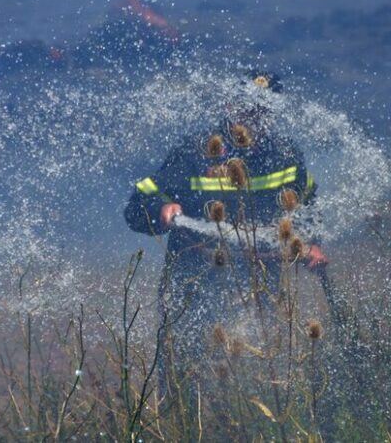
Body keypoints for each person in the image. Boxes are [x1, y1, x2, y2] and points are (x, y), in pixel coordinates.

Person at [123, 71, 327, 391]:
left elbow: (310, 207)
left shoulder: (286, 156)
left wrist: (312, 243)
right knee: (184, 378)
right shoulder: (194, 152)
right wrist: (162, 209)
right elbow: (136, 206)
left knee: (257, 381)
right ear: (230, 107)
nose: (253, 118)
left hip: (261, 290)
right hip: (192, 286)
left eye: (262, 110)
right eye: (246, 108)